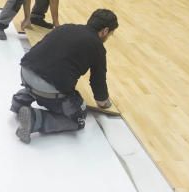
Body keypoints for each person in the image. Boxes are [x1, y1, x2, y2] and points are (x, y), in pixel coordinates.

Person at [11, 9, 118, 143]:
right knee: (78, 118)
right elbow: (98, 82)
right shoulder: (98, 47)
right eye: (110, 34)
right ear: (105, 31)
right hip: (46, 88)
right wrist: (104, 103)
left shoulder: (66, 27)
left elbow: (41, 48)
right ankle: (34, 119)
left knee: (48, 72)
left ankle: (20, 100)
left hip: (25, 73)